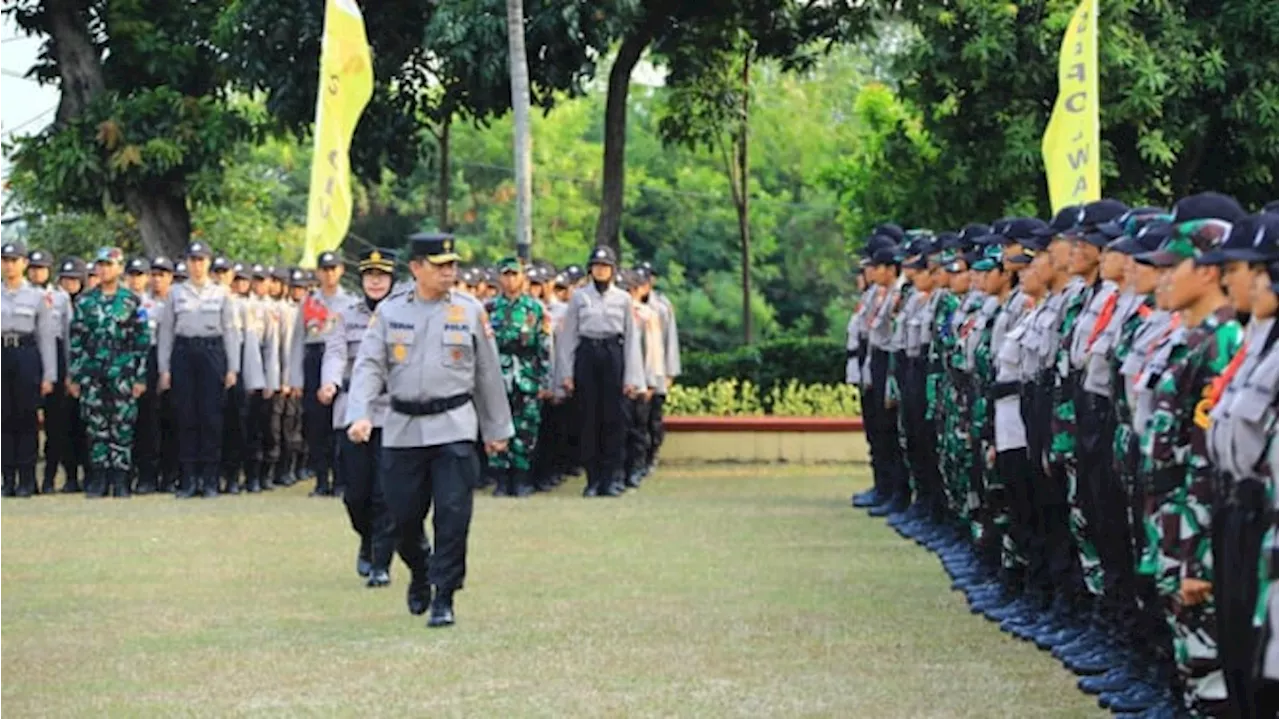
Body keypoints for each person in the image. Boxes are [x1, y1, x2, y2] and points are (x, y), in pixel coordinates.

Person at [346, 232, 513, 628]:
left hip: (454, 427)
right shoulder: (390, 313)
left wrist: (497, 429)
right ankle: (420, 569)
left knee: (453, 517)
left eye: (453, 264)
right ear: (417, 268)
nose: (449, 272)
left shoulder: (470, 311)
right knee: (403, 519)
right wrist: (360, 413)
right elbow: (370, 365)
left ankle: (444, 595)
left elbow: (487, 373)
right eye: (440, 266)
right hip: (402, 429)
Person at [322, 248, 400, 586]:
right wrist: (330, 382)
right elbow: (336, 353)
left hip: (392, 412)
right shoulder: (346, 315)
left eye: (382, 275)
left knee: (386, 492)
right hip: (354, 411)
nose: (376, 281)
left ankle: (381, 562)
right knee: (355, 493)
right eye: (370, 275)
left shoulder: (403, 315)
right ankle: (367, 541)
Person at [556, 246, 645, 497]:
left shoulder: (623, 298)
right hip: (587, 353)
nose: (600, 270)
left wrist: (632, 378)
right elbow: (568, 337)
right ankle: (593, 479)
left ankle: (613, 477)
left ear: (613, 270)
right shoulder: (579, 297)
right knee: (588, 419)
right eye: (596, 266)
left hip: (612, 354)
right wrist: (566, 374)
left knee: (615, 420)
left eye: (605, 266)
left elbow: (630, 340)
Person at [157, 241, 241, 499]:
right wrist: (165, 368)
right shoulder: (175, 293)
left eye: (201, 260)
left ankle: (210, 479)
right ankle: (189, 479)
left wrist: (232, 367)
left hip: (212, 352)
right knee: (186, 417)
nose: (196, 265)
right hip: (183, 352)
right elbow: (166, 332)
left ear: (208, 262)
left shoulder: (221, 293)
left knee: (211, 418)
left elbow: (231, 331)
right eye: (192, 260)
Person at [68, 247, 150, 499]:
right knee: (96, 427)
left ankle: (121, 478)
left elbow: (142, 341)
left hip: (123, 372)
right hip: (93, 373)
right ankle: (99, 478)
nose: (103, 269)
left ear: (119, 268)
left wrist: (140, 376)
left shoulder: (132, 301)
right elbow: (76, 340)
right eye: (100, 265)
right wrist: (75, 375)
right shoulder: (84, 301)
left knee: (122, 426)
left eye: (108, 265)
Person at [485, 257, 553, 498]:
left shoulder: (535, 308)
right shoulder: (489, 309)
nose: (510, 279)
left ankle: (522, 478)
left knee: (526, 428)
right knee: (499, 426)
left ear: (523, 277)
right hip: (498, 375)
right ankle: (501, 479)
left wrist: (546, 380)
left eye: (515, 274)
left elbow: (544, 347)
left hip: (527, 374)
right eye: (506, 274)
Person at [291, 251, 350, 497]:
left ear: (342, 270)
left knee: (338, 424)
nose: (329, 274)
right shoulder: (309, 302)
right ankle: (321, 480)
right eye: (325, 269)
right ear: (318, 273)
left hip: (339, 363)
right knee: (315, 425)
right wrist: (295, 378)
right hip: (314, 358)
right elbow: (297, 342)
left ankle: (340, 480)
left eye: (333, 268)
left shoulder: (350, 303)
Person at [0, 241, 56, 498]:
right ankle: (7, 478)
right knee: (3, 418)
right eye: (5, 260)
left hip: (26, 354)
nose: (9, 265)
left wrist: (49, 374)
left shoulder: (36, 297)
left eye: (14, 260)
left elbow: (46, 337)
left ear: (24, 264)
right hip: (2, 353)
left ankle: (26, 478)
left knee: (26, 418)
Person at [135, 256, 176, 494]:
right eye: (155, 274)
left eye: (163, 274)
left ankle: (170, 475)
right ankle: (147, 476)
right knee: (146, 421)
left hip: (172, 360)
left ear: (170, 278)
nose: (158, 279)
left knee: (172, 421)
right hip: (147, 359)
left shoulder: (176, 302)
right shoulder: (142, 303)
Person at [241, 264, 280, 493]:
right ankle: (245, 475)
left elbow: (272, 348)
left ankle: (260, 475)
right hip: (240, 379)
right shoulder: (239, 305)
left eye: (262, 279)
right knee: (243, 430)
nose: (258, 284)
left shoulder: (269, 309)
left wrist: (271, 381)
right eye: (254, 280)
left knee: (263, 429)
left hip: (261, 381)